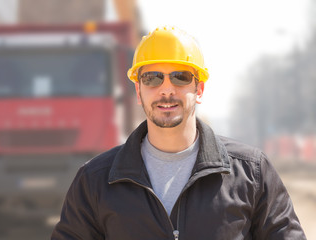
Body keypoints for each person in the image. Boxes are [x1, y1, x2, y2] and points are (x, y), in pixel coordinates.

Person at [51, 26, 306, 240]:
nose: (166, 90)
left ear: (200, 89)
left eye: (180, 77)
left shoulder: (251, 173)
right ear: (138, 92)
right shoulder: (95, 180)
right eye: (152, 78)